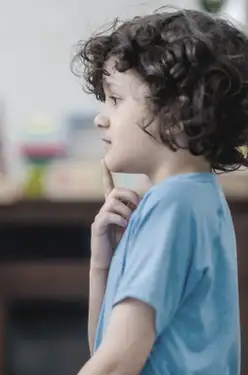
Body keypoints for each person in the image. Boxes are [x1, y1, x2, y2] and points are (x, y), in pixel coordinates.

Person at [72, 9, 245, 375]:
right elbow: (105, 349)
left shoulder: (174, 204)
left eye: (116, 100)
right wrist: (103, 264)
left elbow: (118, 362)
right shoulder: (192, 198)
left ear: (176, 111)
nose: (101, 117)